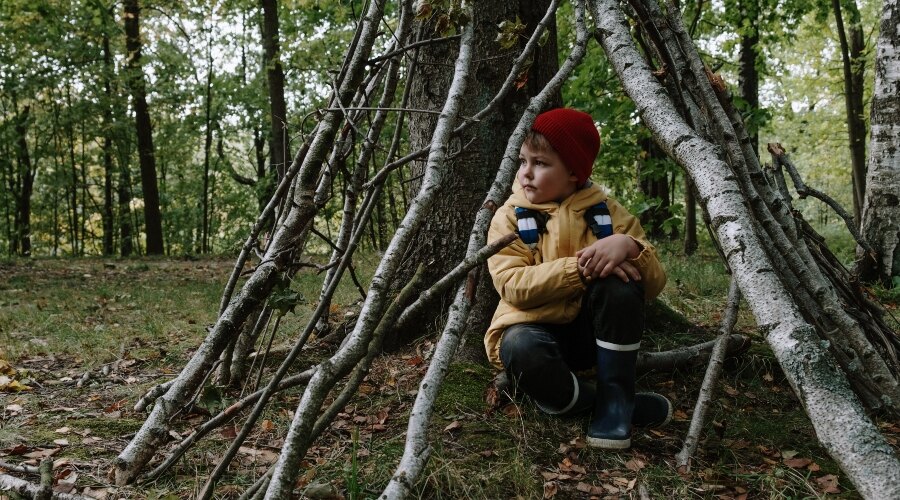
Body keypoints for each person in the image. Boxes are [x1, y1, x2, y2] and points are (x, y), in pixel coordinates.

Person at [485, 108, 670, 449]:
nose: (526, 173)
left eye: (540, 164)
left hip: (591, 339)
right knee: (519, 347)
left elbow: (654, 284)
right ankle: (589, 402)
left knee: (621, 282)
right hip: (533, 333)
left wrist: (630, 247)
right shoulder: (510, 217)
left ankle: (615, 400)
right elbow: (512, 284)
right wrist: (581, 269)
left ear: (573, 171)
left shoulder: (607, 212)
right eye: (523, 161)